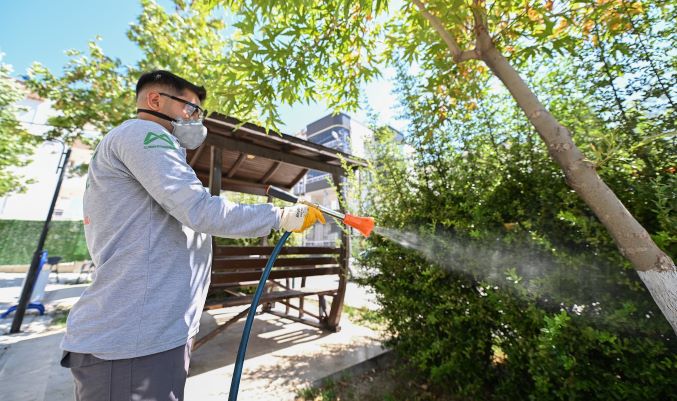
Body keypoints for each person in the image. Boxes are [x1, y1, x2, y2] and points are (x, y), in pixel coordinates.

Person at [59, 70, 325, 401]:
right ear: (155, 100)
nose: (196, 119)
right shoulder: (144, 134)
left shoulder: (151, 146)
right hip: (131, 343)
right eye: (191, 109)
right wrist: (279, 216)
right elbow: (200, 210)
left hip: (150, 335)